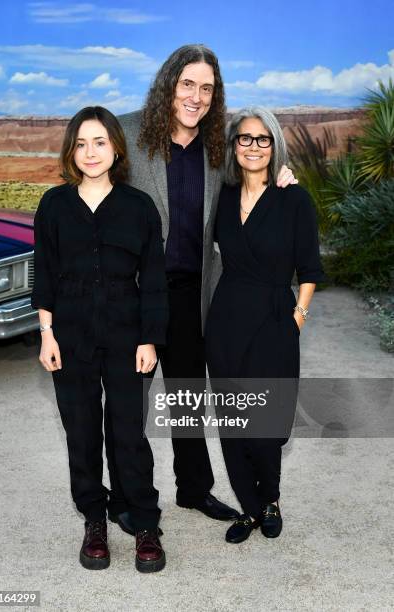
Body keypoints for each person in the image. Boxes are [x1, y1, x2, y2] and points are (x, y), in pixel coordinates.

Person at [117, 44, 297, 530]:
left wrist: (282, 176)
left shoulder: (220, 144)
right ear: (168, 84)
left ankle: (194, 490)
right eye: (187, 84)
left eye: (207, 88)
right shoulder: (128, 134)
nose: (196, 96)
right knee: (128, 407)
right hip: (135, 295)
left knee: (187, 401)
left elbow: (254, 165)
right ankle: (132, 499)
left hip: (195, 295)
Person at [31, 106, 168, 573]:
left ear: (116, 148)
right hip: (68, 333)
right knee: (82, 432)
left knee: (128, 432)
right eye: (82, 143)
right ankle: (95, 518)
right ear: (72, 150)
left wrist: (150, 340)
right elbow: (45, 274)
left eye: (100, 142)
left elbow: (153, 280)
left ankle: (145, 522)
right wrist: (46, 334)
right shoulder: (53, 205)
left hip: (128, 334)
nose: (91, 152)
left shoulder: (138, 207)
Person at [205, 106, 325, 543]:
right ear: (234, 145)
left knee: (266, 424)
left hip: (276, 318)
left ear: (274, 145)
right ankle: (249, 509)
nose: (253, 147)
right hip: (226, 320)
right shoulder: (220, 195)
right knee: (233, 422)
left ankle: (270, 497)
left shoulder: (293, 197)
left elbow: (309, 269)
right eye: (245, 138)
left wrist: (297, 319)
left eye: (263, 139)